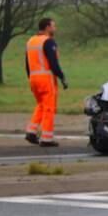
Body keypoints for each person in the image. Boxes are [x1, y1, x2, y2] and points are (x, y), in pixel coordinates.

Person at [24, 18, 68, 148]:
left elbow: (27, 64)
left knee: (41, 105)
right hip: (46, 79)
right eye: (53, 26)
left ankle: (31, 131)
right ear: (47, 27)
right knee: (49, 108)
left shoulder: (31, 41)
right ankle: (46, 139)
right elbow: (53, 63)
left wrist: (30, 77)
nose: (55, 29)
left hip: (33, 78)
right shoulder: (48, 42)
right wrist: (62, 76)